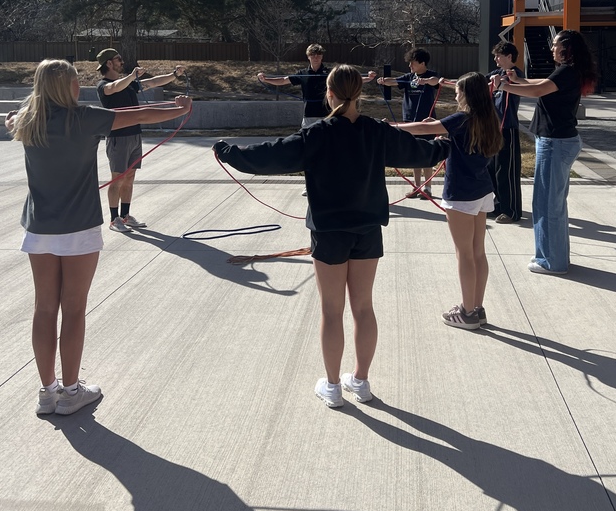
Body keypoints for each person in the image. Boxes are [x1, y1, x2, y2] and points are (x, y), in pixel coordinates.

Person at [214, 65, 447, 408]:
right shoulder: (376, 131)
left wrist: (227, 151)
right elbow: (421, 151)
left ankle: (334, 386)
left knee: (331, 311)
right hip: (367, 231)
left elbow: (269, 155)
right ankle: (361, 382)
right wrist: (446, 145)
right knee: (364, 308)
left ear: (329, 94)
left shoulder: (317, 134)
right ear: (359, 94)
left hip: (329, 234)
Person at [7, 59, 192, 416]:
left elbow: (12, 120)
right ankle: (71, 391)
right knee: (73, 309)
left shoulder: (26, 121)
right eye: (76, 81)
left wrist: (13, 118)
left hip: (38, 229)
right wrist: (177, 107)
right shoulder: (83, 117)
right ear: (66, 87)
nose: (80, 86)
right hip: (78, 229)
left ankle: (47, 393)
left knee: (44, 309)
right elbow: (138, 114)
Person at [390, 72, 503, 330]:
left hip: (461, 194)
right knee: (477, 252)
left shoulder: (463, 118)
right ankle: (477, 307)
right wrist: (447, 135)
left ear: (467, 94)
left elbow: (423, 129)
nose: (456, 96)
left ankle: (466, 311)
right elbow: (459, 139)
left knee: (463, 254)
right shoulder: (486, 116)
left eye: (458, 92)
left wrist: (391, 127)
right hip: (482, 190)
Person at [497, 29, 597, 275]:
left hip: (555, 143)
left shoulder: (566, 71)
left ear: (568, 48)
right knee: (552, 204)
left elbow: (538, 91)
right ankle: (555, 257)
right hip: (557, 142)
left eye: (555, 45)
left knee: (546, 205)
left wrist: (505, 87)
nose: (552, 49)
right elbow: (541, 85)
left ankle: (551, 262)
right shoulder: (567, 72)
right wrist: (517, 81)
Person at [96, 48, 185, 232]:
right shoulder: (103, 85)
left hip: (134, 135)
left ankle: (126, 216)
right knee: (117, 179)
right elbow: (114, 87)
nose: (122, 61)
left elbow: (152, 82)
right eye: (118, 59)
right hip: (118, 138)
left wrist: (174, 75)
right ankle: (114, 219)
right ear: (109, 63)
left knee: (130, 177)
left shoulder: (128, 84)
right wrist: (131, 76)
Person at [258, 44, 376, 128]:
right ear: (308, 56)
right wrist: (266, 79)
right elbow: (283, 80)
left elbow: (348, 79)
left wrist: (369, 78)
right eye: (313, 55)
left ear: (322, 56)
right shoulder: (303, 73)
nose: (316, 57)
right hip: (309, 114)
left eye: (319, 54)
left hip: (329, 113)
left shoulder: (330, 72)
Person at [377, 48, 441, 199]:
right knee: (414, 153)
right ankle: (416, 187)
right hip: (409, 120)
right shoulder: (409, 77)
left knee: (426, 153)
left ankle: (428, 188)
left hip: (427, 121)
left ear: (422, 63)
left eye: (412, 63)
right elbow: (396, 81)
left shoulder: (431, 75)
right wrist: (384, 81)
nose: (410, 66)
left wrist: (425, 81)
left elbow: (435, 82)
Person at [486, 41, 525, 223]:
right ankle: (499, 205)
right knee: (492, 170)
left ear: (509, 57)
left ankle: (512, 211)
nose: (495, 60)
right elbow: (479, 82)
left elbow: (521, 86)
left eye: (498, 56)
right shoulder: (496, 74)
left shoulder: (515, 75)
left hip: (508, 128)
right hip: (494, 130)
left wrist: (503, 83)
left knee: (507, 172)